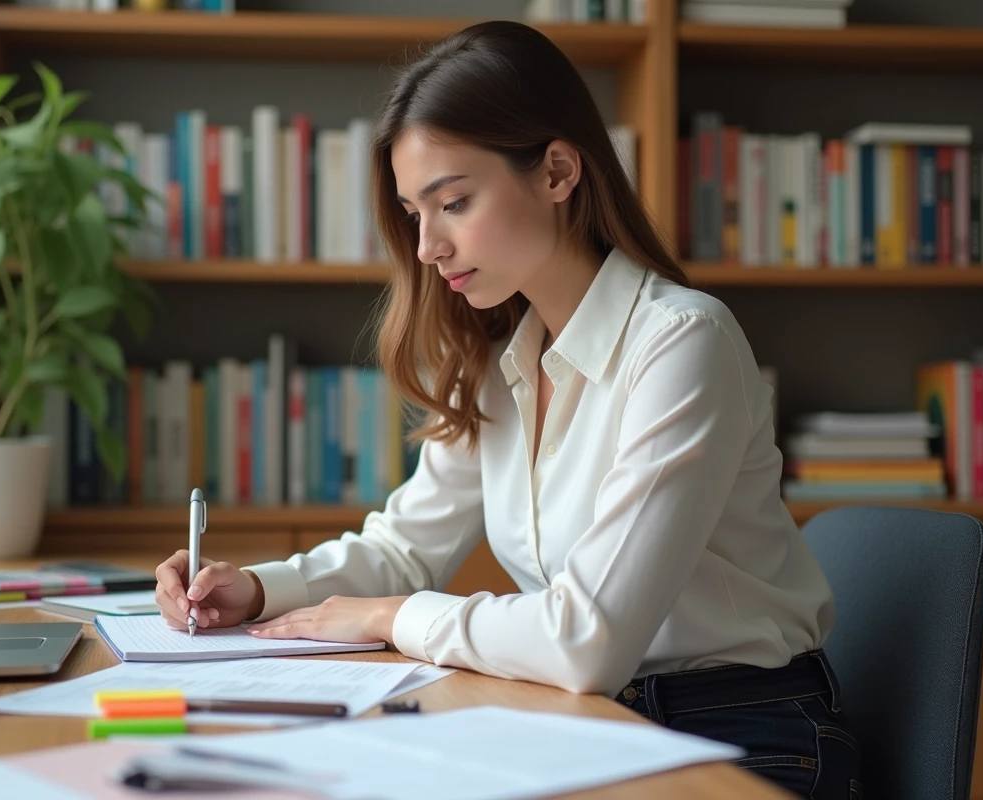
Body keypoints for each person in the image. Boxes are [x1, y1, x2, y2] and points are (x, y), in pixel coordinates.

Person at [153, 19, 862, 799]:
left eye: (452, 202)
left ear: (558, 171)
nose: (427, 246)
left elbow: (584, 638)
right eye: (414, 213)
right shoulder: (503, 361)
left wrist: (392, 618)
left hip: (741, 736)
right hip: (588, 717)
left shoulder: (682, 343)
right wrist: (254, 590)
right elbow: (403, 550)